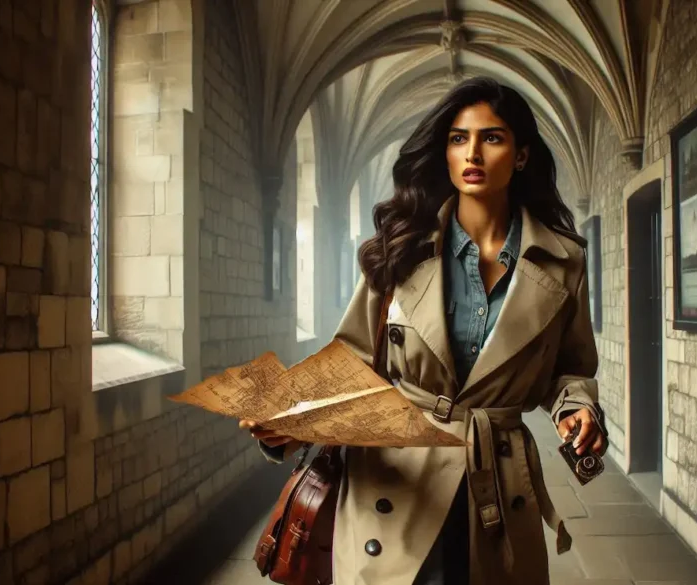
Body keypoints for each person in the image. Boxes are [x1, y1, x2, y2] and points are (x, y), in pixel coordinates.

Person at [240, 76, 608, 585]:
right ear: (445, 153)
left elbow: (570, 367)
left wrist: (577, 409)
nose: (473, 152)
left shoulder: (566, 262)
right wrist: (294, 419)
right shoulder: (401, 246)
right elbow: (352, 362)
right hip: (398, 478)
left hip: (499, 482)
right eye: (459, 138)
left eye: (492, 137)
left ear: (521, 155)